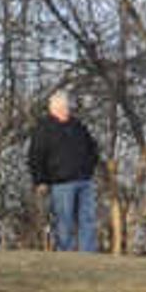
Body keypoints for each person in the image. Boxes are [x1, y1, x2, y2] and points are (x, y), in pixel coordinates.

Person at [28, 90, 103, 253]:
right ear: (54, 108)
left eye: (67, 106)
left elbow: (93, 148)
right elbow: (36, 156)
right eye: (63, 107)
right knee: (64, 221)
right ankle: (65, 253)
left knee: (88, 219)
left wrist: (90, 167)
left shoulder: (78, 126)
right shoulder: (43, 129)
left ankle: (88, 253)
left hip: (85, 180)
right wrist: (40, 180)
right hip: (60, 183)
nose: (66, 109)